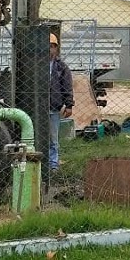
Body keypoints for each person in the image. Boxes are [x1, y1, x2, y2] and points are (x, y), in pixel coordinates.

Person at [48, 33, 74, 172]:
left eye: (53, 47)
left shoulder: (61, 67)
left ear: (56, 49)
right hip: (37, 107)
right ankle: (39, 162)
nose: (50, 49)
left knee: (53, 138)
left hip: (53, 107)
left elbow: (67, 86)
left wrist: (69, 105)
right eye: (48, 46)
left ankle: (53, 164)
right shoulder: (35, 65)